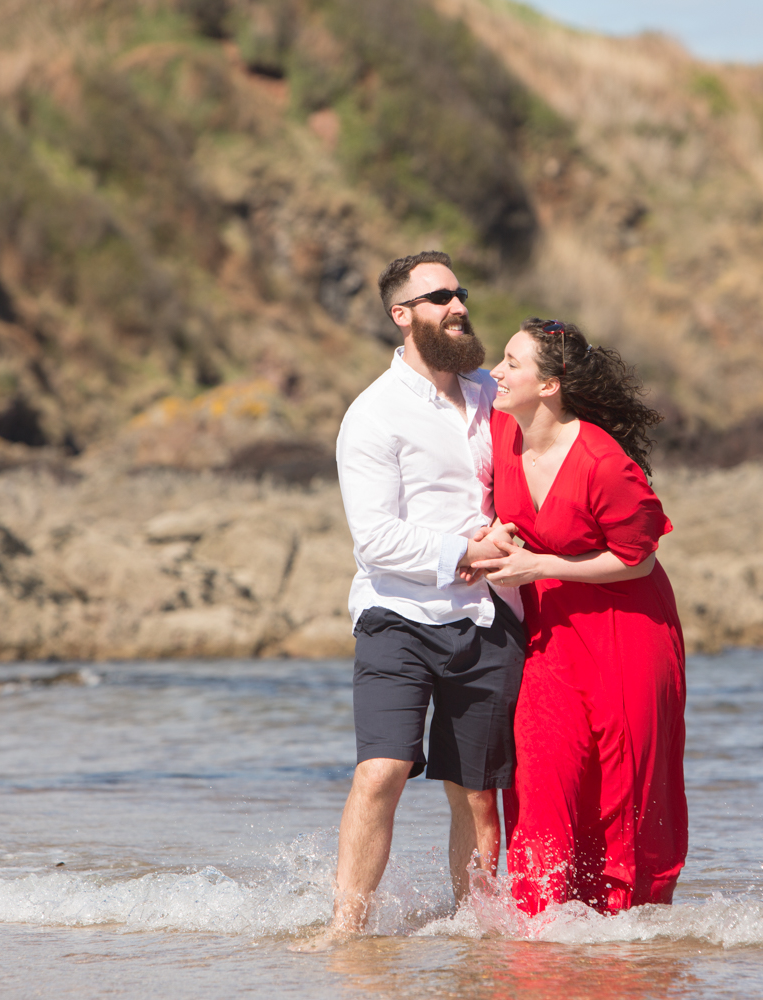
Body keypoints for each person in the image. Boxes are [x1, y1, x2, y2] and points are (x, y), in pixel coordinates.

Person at [294, 251, 525, 951]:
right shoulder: (373, 415)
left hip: (489, 619)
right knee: (383, 771)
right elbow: (376, 540)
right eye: (438, 298)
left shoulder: (494, 395)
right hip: (398, 616)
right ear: (403, 316)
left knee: (477, 794)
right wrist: (464, 553)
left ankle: (476, 934)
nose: (459, 307)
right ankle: (346, 931)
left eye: (460, 294)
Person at [471, 318, 687, 915]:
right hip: (550, 640)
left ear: (549, 385)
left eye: (512, 363)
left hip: (628, 635)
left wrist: (541, 566)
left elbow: (637, 559)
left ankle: (626, 944)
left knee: (625, 791)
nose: (498, 372)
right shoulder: (501, 432)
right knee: (541, 775)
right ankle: (538, 934)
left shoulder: (601, 461)